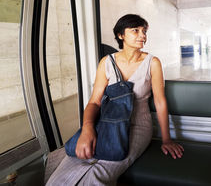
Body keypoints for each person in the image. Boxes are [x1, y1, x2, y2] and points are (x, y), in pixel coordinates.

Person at [45, 14, 184, 185]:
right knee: (60, 176)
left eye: (144, 31)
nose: (143, 36)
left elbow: (160, 102)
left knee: (97, 176)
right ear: (121, 35)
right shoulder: (107, 62)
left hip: (137, 126)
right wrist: (87, 128)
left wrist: (166, 139)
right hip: (106, 121)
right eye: (136, 31)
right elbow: (95, 102)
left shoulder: (152, 62)